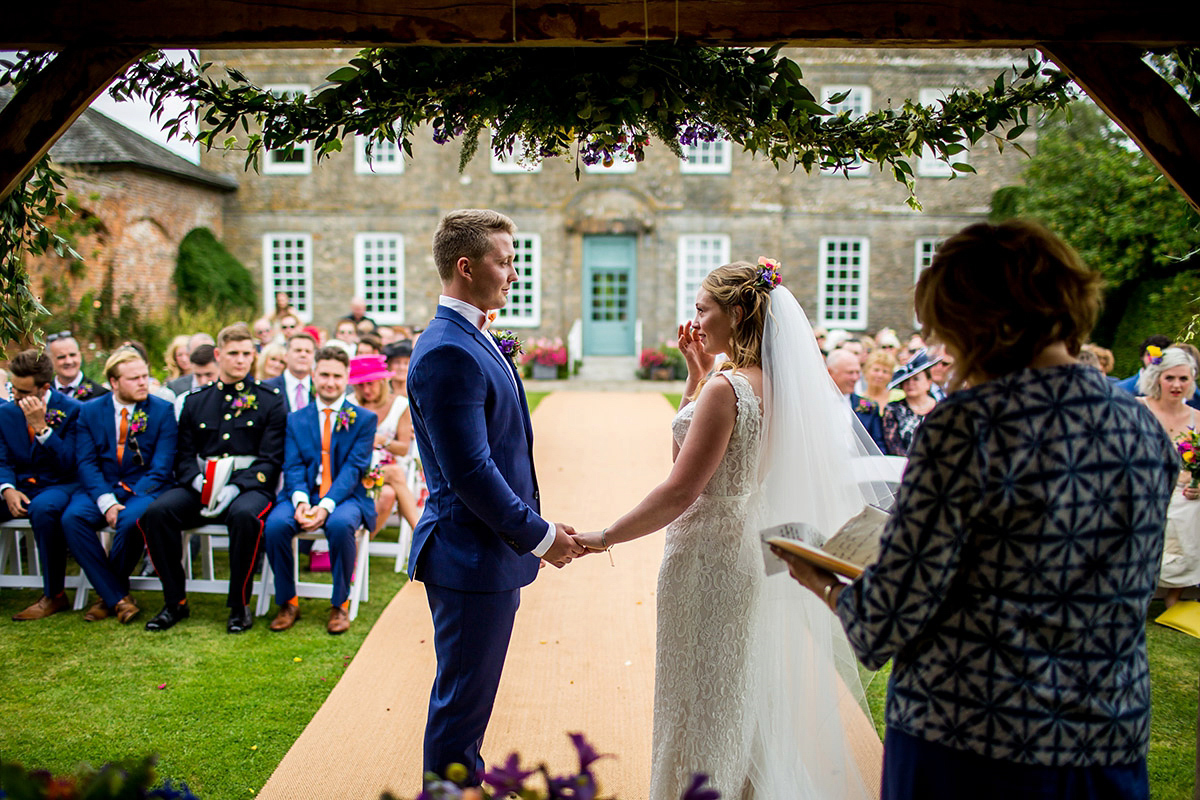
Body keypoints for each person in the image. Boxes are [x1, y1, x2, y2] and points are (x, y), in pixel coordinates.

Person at [774, 219, 1177, 800]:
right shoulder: (1143, 427)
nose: (946, 351)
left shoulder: (968, 427)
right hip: (1107, 733)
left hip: (972, 735)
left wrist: (822, 580)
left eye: (947, 332)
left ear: (981, 322)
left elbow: (888, 618)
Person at [575, 258, 885, 800]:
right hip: (747, 545)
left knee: (696, 696)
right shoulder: (767, 385)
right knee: (734, 690)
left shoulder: (728, 389)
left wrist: (605, 537)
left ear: (738, 312)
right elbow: (694, 460)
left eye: (703, 309)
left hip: (706, 555)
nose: (694, 321)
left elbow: (679, 487)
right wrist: (694, 377)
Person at [408, 209, 583, 786]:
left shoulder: (471, 336)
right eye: (504, 261)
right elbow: (471, 473)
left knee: (472, 698)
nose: (513, 273)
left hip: (488, 552)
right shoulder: (447, 350)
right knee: (461, 701)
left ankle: (465, 783)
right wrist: (541, 535)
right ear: (466, 266)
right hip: (469, 554)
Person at [138, 324, 287, 633]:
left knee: (246, 516)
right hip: (202, 485)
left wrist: (236, 486)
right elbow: (184, 455)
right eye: (234, 354)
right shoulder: (196, 401)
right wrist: (195, 482)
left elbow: (271, 459)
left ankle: (239, 605)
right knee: (157, 513)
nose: (241, 360)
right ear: (219, 355)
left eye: (247, 353)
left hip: (249, 485)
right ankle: (174, 601)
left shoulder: (270, 400)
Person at [264, 347, 376, 634]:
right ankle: (288, 601)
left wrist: (326, 505)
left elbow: (354, 469)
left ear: (347, 378)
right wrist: (301, 501)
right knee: (276, 525)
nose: (330, 382)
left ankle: (340, 604)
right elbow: (293, 465)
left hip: (346, 496)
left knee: (339, 525)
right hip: (304, 494)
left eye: (337, 376)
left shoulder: (363, 419)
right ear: (313, 375)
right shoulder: (296, 418)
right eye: (324, 374)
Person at [62, 349, 177, 624]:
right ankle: (118, 597)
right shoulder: (90, 411)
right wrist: (106, 501)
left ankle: (108, 596)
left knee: (131, 520)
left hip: (143, 488)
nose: (143, 383)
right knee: (72, 518)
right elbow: (86, 462)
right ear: (114, 382)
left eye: (145, 376)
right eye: (134, 378)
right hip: (101, 487)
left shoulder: (161, 410)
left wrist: (124, 498)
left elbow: (161, 467)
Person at [1, 349, 83, 621]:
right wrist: (7, 488)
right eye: (13, 388)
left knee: (44, 509)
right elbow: (2, 459)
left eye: (23, 392)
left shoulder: (72, 411)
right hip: (19, 487)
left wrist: (42, 429)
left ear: (44, 388)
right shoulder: (5, 413)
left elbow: (70, 464)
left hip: (59, 486)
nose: (15, 396)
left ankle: (54, 595)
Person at [1137, 347, 1200, 608]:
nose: (1176, 385)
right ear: (1157, 378)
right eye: (1170, 378)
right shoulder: (1137, 409)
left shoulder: (1198, 419)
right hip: (1140, 490)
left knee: (1190, 507)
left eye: (1183, 379)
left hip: (1183, 493)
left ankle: (1175, 596)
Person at [349, 354, 421, 536]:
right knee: (395, 475)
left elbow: (404, 449)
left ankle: (356, 550)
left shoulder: (400, 405)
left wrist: (383, 441)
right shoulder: (349, 404)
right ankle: (420, 532)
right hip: (355, 468)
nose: (366, 389)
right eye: (360, 384)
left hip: (384, 470)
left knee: (388, 493)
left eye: (370, 383)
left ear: (381, 381)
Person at [881, 348, 941, 457]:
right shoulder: (893, 409)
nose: (910, 384)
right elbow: (894, 446)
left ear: (929, 382)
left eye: (916, 379)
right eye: (906, 381)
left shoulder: (941, 408)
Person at [828, 347, 886, 452]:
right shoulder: (813, 406)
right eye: (850, 373)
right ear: (830, 372)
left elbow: (878, 446)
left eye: (857, 372)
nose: (855, 378)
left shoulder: (869, 406)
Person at [45, 332, 108, 401]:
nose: (69, 361)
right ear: (50, 361)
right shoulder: (44, 392)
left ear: (80, 356)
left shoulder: (101, 395)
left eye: (72, 355)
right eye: (61, 357)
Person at [264, 332, 316, 413]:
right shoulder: (267, 388)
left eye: (308, 351)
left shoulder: (320, 388)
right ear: (286, 356)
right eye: (298, 350)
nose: (303, 355)